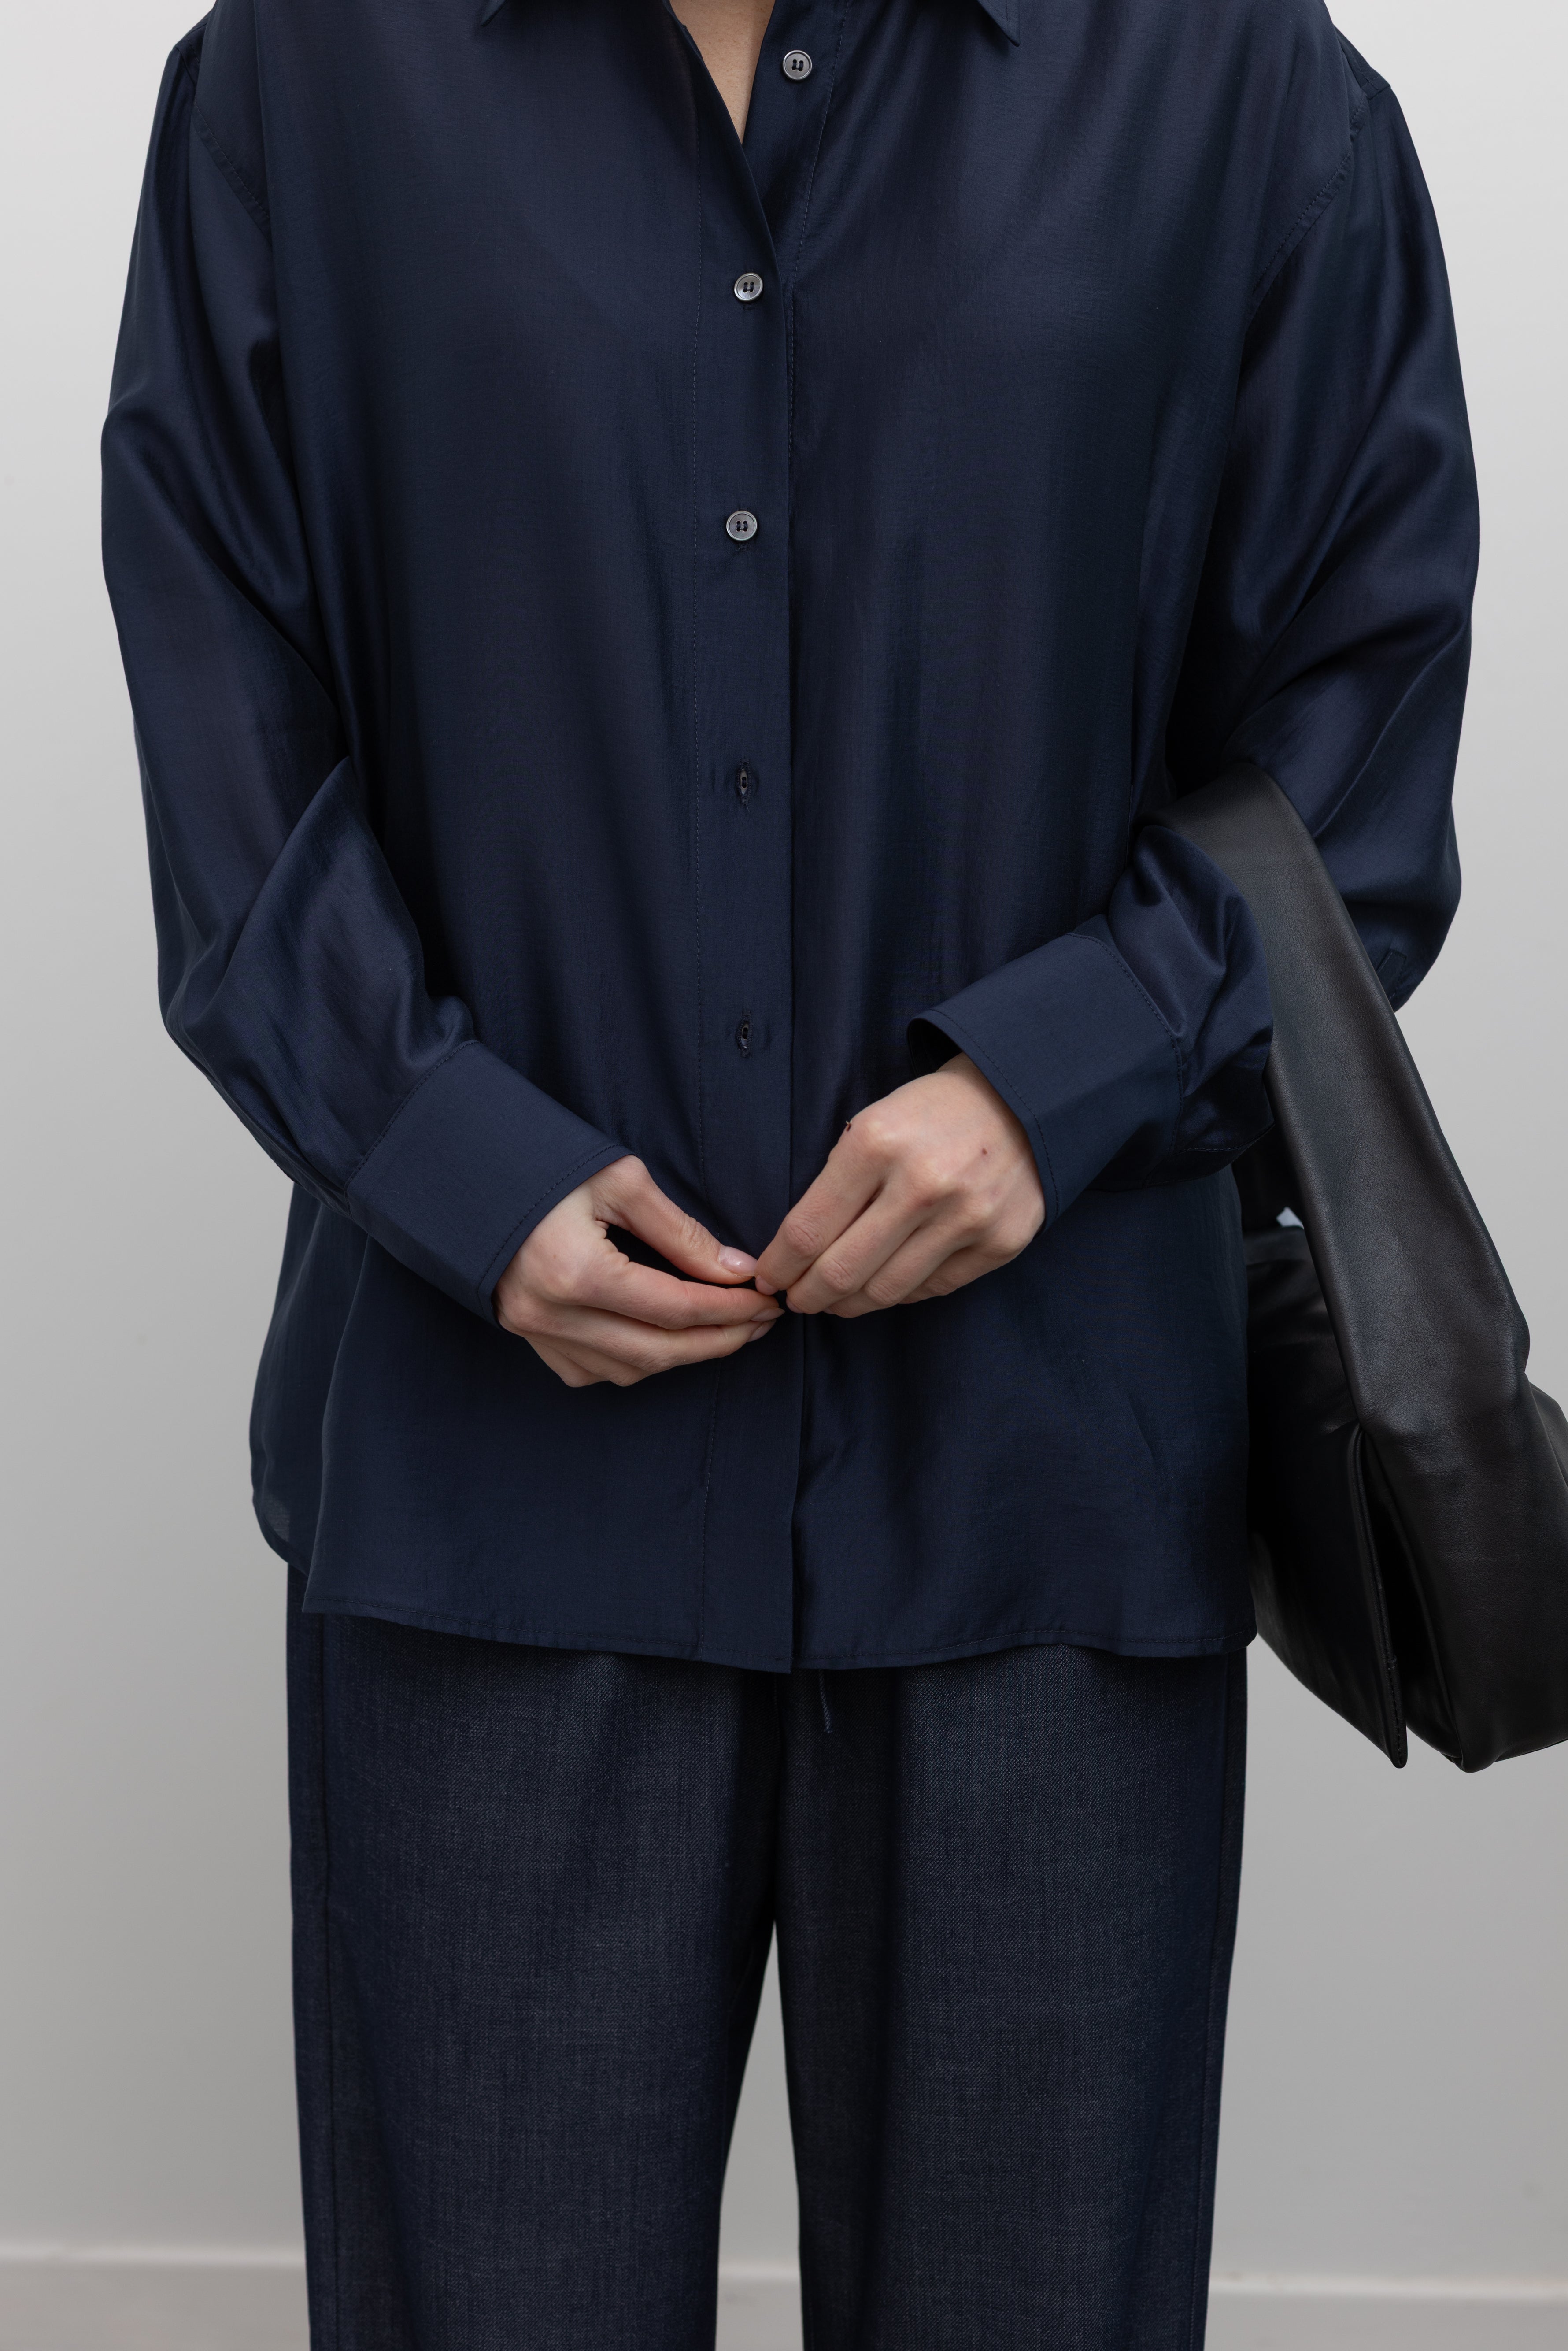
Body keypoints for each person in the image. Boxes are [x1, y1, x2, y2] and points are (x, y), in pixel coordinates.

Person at [101, 0, 1476, 2336]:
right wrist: (444, 1151)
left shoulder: (1237, 84)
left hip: (1046, 1489)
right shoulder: (303, 81)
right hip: (494, 1492)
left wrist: (1053, 1079)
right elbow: (226, 708)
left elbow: (1358, 725)